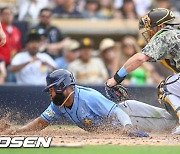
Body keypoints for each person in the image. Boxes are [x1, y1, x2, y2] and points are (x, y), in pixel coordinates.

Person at [1, 69, 176, 136]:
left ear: (64, 86)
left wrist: (128, 127)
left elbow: (117, 112)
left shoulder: (87, 96)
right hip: (125, 125)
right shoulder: (58, 104)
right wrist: (16, 131)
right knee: (165, 129)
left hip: (129, 115)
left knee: (170, 121)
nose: (50, 92)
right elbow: (41, 122)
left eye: (53, 88)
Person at [107, 8, 180, 134]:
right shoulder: (176, 33)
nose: (149, 31)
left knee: (166, 87)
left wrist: (116, 78)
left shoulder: (166, 34)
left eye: (151, 27)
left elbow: (140, 58)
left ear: (161, 25)